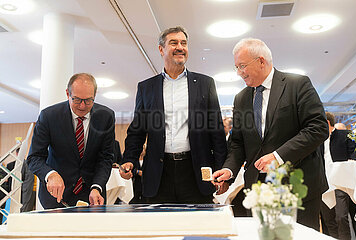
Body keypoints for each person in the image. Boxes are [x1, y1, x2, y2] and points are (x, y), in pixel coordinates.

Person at [212, 38, 329, 230]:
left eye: (242, 66)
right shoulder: (241, 98)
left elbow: (317, 128)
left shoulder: (297, 84)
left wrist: (278, 156)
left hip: (298, 187)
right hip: (257, 190)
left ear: (261, 61)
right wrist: (230, 170)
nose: (239, 73)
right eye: (236, 67)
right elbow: (238, 143)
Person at [120, 26, 227, 204]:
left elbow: (216, 131)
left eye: (184, 43)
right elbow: (137, 131)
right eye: (174, 43)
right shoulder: (146, 88)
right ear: (161, 49)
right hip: (159, 173)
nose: (180, 47)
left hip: (195, 172)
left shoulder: (205, 84)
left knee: (198, 228)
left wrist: (221, 170)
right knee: (160, 227)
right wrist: (129, 159)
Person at [27, 73, 115, 209]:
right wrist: (50, 174)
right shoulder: (49, 116)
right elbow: (34, 158)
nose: (82, 106)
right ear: (68, 93)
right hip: (56, 197)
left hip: (91, 195)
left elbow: (106, 158)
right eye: (77, 99)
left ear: (95, 95)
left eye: (88, 100)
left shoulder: (106, 116)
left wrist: (97, 187)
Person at [324, 112, 356, 240]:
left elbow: (354, 155)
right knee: (328, 219)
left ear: (327, 123)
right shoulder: (317, 141)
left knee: (341, 217)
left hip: (340, 182)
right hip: (324, 183)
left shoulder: (344, 135)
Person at [6, 148, 36, 212]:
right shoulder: (12, 165)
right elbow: (10, 180)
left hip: (31, 192)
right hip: (21, 192)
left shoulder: (30, 164)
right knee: (20, 211)